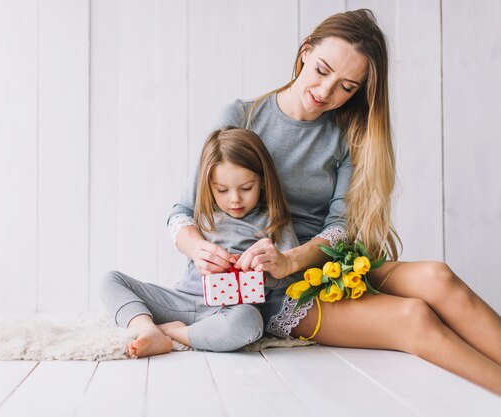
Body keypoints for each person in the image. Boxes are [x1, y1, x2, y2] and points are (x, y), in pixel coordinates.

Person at [168, 9, 501, 394]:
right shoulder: (243, 116)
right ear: (305, 52)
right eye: (322, 70)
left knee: (437, 277)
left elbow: (339, 228)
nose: (326, 92)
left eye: (347, 87)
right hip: (273, 290)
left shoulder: (347, 134)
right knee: (413, 318)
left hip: (319, 263)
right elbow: (182, 213)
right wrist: (199, 249)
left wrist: (293, 258)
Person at [100, 127, 300, 358]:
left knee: (250, 323)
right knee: (110, 280)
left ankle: (175, 333)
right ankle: (145, 328)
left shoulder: (274, 222)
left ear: (263, 182)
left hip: (229, 310)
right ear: (208, 185)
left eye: (246, 188)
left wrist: (268, 271)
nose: (234, 198)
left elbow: (291, 277)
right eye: (222, 190)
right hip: (182, 300)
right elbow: (184, 237)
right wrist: (198, 251)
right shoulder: (201, 216)